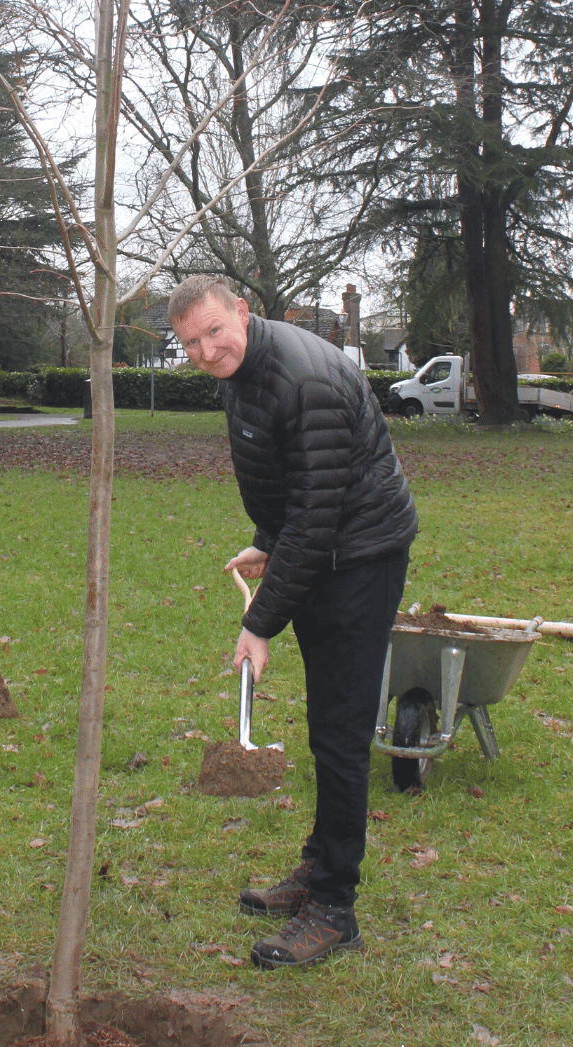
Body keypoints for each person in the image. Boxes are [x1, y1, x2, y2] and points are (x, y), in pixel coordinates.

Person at [169, 275, 418, 969]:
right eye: (190, 342)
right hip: (322, 547)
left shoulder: (304, 378)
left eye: (214, 331)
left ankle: (335, 908)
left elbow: (317, 515)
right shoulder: (245, 371)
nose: (205, 349)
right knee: (325, 723)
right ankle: (318, 864)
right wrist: (265, 537)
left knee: (339, 733)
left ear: (243, 313)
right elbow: (287, 480)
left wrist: (262, 622)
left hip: (360, 558)